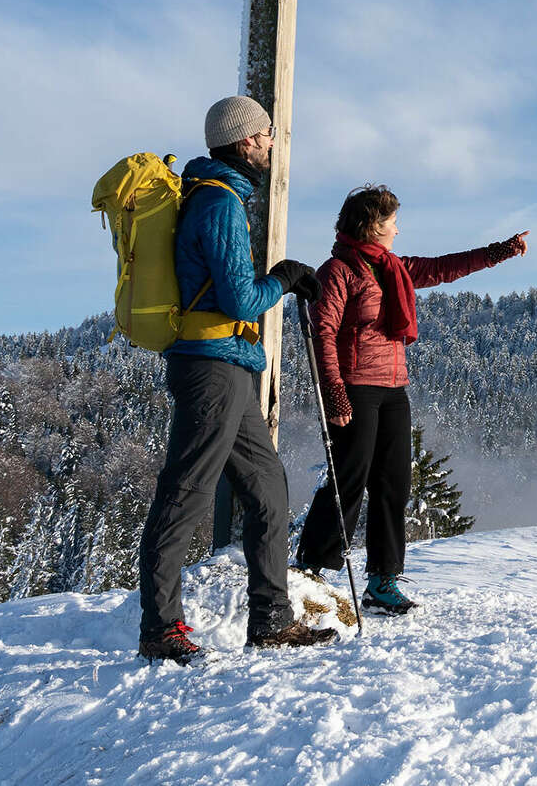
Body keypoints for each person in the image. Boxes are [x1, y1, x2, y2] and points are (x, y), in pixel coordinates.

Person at [134, 96, 333, 663]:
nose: (272, 144)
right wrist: (285, 278)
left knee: (268, 490)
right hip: (211, 368)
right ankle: (160, 627)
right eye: (267, 135)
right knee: (188, 490)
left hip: (230, 366)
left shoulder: (217, 197)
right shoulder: (218, 204)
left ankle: (271, 620)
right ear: (246, 141)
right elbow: (242, 298)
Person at [297, 183, 527, 614]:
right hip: (355, 388)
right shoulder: (338, 272)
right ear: (371, 225)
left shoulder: (394, 268)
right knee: (349, 477)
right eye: (392, 222)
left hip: (393, 390)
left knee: (393, 484)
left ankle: (381, 581)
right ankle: (310, 569)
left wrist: (497, 252)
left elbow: (444, 268)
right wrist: (334, 392)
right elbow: (322, 333)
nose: (398, 230)